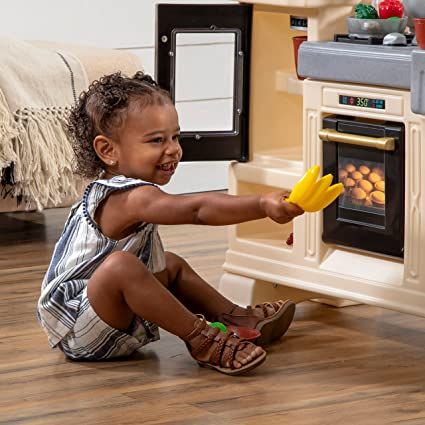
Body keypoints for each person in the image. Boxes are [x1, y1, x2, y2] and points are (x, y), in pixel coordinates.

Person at [37, 72, 304, 376]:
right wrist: (260, 204)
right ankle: (203, 340)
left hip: (113, 319)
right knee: (121, 267)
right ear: (108, 151)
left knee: (170, 264)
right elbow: (196, 210)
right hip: (79, 330)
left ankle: (238, 319)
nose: (173, 149)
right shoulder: (127, 198)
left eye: (175, 137)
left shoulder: (135, 192)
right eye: (156, 140)